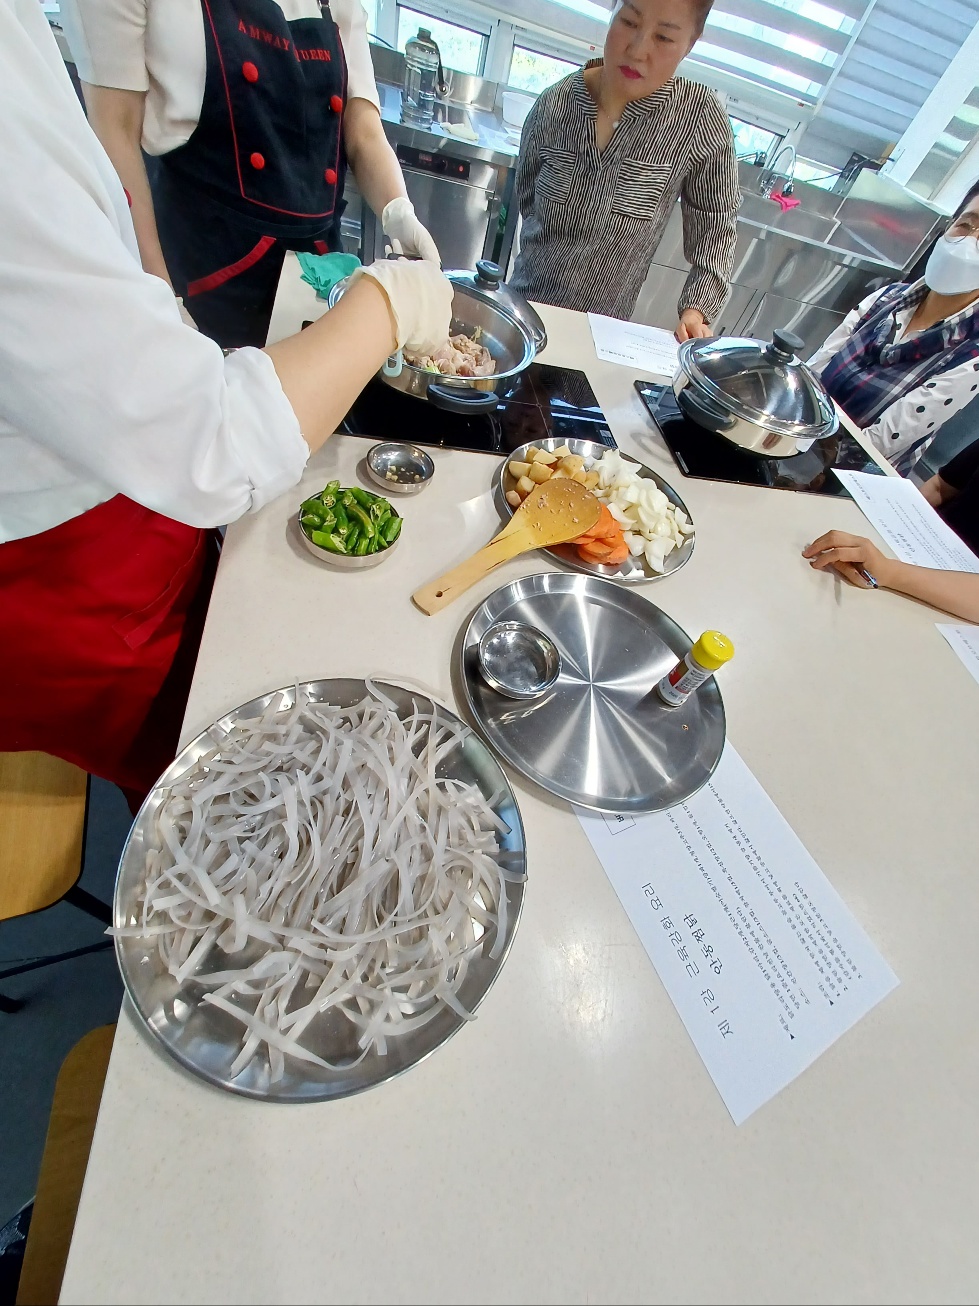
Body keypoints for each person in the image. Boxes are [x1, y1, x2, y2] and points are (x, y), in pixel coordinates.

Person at [0, 0, 452, 812]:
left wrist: (396, 213)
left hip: (210, 373)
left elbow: (359, 122)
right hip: (68, 531)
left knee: (241, 586)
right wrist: (387, 304)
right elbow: (211, 443)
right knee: (205, 779)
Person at [59, 0, 439, 348]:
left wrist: (398, 210)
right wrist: (160, 301)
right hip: (203, 278)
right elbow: (115, 131)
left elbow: (363, 129)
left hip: (317, 282)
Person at [508, 0, 739, 342]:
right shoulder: (554, 104)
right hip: (522, 318)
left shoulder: (698, 118)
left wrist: (696, 310)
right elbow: (528, 200)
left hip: (602, 339)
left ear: (690, 43)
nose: (637, 50)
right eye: (629, 22)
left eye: (663, 37)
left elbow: (716, 228)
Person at [808, 183, 979, 477]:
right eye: (966, 225)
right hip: (800, 437)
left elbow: (878, 442)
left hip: (848, 476)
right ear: (948, 227)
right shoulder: (888, 297)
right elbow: (815, 371)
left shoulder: (970, 356)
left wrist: (807, 466)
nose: (968, 244)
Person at [803, 437, 979, 623]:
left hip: (953, 599)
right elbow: (941, 487)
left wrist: (889, 571)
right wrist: (896, 522)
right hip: (921, 546)